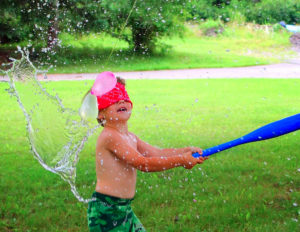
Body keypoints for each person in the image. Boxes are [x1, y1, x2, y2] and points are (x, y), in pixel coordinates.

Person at [87, 72, 206, 232]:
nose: (121, 100)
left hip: (124, 208)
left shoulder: (130, 137)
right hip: (107, 211)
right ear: (100, 113)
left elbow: (157, 153)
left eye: (123, 96)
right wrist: (181, 160)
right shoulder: (110, 136)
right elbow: (143, 163)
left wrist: (185, 151)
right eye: (113, 97)